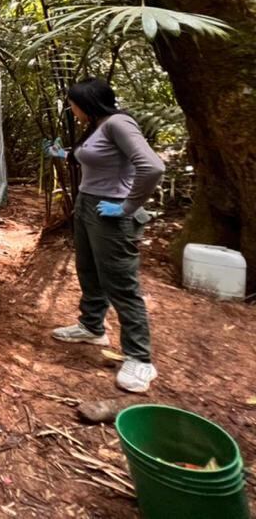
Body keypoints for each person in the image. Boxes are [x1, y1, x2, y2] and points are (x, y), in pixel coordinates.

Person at [43, 78, 165, 393]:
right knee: (89, 271)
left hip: (110, 212)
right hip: (87, 206)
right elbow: (95, 157)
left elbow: (151, 167)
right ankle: (92, 326)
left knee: (121, 285)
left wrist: (127, 206)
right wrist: (62, 153)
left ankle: (140, 359)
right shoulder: (98, 126)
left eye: (73, 104)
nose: (71, 110)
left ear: (87, 102)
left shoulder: (119, 123)